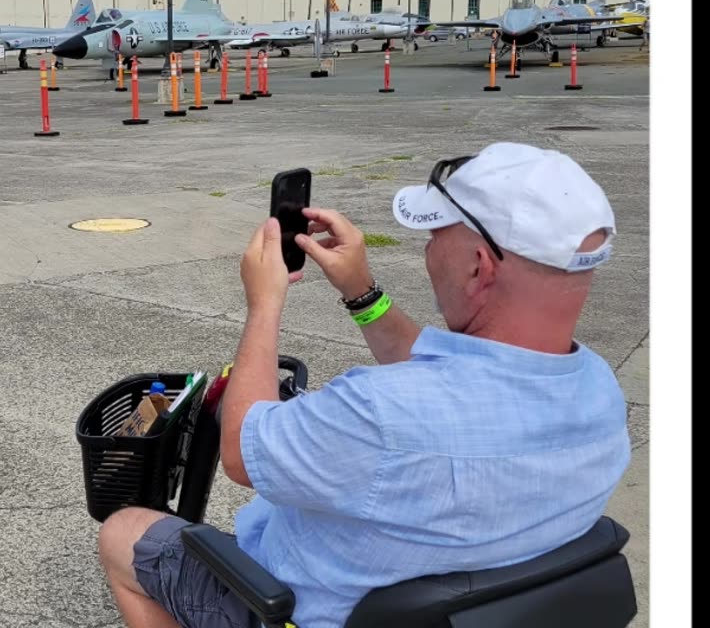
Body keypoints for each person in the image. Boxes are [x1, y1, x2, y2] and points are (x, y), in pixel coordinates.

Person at [97, 141, 631, 628]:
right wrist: (361, 290)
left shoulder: (379, 415)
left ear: (478, 267)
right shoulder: (600, 395)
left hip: (294, 608)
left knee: (123, 534)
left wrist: (265, 305)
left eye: (436, 234)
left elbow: (240, 449)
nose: (428, 250)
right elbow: (446, 375)